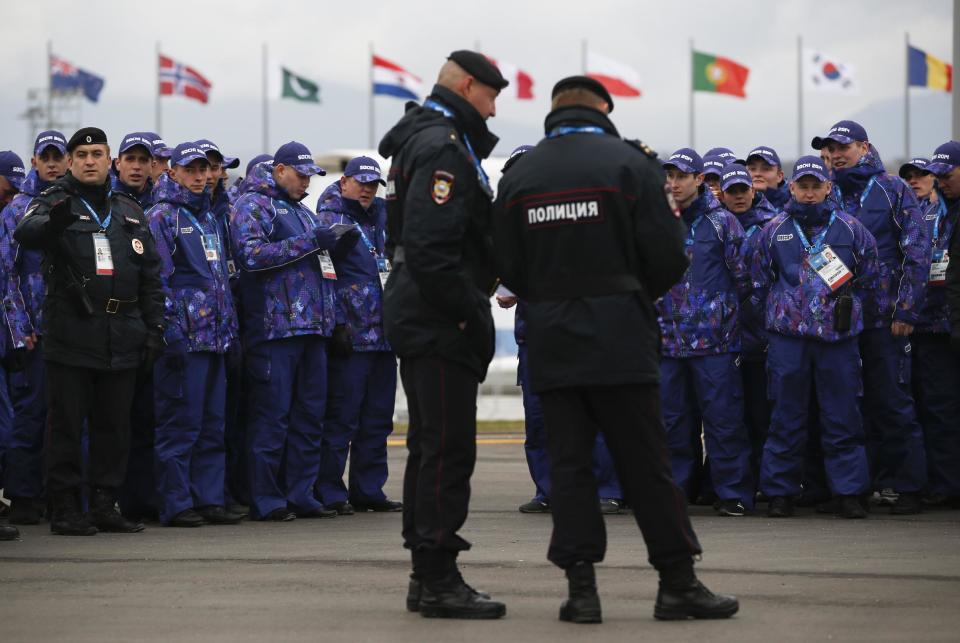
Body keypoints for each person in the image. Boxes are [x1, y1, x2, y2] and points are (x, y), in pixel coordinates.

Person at [494, 75, 739, 623]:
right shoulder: (631, 164)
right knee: (647, 464)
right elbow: (671, 254)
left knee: (570, 467)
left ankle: (581, 591)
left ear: (552, 112)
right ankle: (677, 582)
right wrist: (626, 295)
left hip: (553, 341)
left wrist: (555, 297)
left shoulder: (522, 175)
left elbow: (506, 265)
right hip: (621, 337)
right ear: (603, 109)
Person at [379, 50, 507, 619]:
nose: (495, 108)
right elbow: (432, 251)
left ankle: (423, 574)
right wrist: (467, 314)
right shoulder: (442, 147)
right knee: (446, 451)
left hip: (423, 309)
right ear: (469, 87)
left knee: (432, 446)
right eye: (492, 96)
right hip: (436, 314)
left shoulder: (431, 139)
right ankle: (437, 577)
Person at [14, 127, 165, 536]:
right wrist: (51, 224)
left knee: (114, 426)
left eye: (97, 153)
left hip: (123, 332)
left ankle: (104, 504)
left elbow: (150, 275)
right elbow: (25, 234)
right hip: (72, 331)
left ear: (110, 160)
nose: (89, 161)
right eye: (80, 154)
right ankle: (64, 507)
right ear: (69, 161)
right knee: (66, 424)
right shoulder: (52, 201)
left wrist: (155, 328)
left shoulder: (129, 210)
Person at [231, 141, 357, 521]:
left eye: (311, 177)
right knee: (272, 418)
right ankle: (267, 500)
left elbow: (321, 267)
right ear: (280, 170)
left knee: (309, 418)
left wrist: (335, 320)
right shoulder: (252, 206)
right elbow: (250, 257)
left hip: (313, 331)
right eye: (301, 175)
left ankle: (301, 494)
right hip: (275, 332)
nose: (306, 183)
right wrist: (309, 242)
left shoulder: (303, 212)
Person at [751, 156, 879, 518]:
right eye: (802, 186)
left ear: (828, 188)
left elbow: (870, 279)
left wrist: (847, 312)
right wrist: (784, 311)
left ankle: (850, 492)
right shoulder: (773, 229)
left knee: (842, 415)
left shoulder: (852, 229)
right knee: (785, 416)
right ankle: (780, 492)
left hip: (837, 341)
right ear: (791, 187)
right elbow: (757, 282)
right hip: (787, 341)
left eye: (815, 186)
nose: (809, 193)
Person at [812, 120, 930, 514]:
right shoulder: (826, 192)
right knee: (845, 404)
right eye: (829, 148)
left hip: (885, 316)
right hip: (838, 320)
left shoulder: (892, 188)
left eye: (843, 147)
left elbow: (916, 251)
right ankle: (854, 488)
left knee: (892, 400)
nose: (835, 154)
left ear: (864, 146)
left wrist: (907, 308)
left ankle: (908, 485)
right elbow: (814, 250)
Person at [147, 143, 242, 527]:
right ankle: (176, 502)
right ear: (173, 172)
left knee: (213, 424)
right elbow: (157, 281)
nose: (202, 176)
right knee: (180, 424)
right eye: (193, 169)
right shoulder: (161, 216)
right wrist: (171, 332)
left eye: (206, 170)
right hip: (184, 340)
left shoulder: (210, 218)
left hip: (217, 339)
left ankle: (209, 497)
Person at [658, 147, 755, 516]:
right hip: (667, 342)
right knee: (672, 423)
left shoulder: (722, 222)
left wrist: (716, 311)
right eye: (670, 176)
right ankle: (675, 493)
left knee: (723, 420)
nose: (675, 183)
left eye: (682, 176)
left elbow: (745, 277)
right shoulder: (658, 220)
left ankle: (732, 494)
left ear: (700, 179)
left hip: (714, 344)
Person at [315, 156, 402, 514]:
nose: (366, 189)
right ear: (345, 182)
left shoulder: (386, 216)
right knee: (341, 417)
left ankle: (369, 489)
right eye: (361, 182)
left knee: (379, 419)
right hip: (351, 335)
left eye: (372, 184)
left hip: (385, 335)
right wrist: (336, 324)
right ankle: (330, 490)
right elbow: (321, 276)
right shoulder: (329, 221)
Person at [0, 131, 68, 525]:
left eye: (60, 156)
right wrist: (21, 328)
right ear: (35, 160)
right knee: (31, 414)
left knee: (69, 418)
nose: (54, 163)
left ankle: (57, 493)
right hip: (34, 333)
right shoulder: (17, 211)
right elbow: (6, 276)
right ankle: (24, 495)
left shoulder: (74, 204)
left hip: (71, 330)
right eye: (48, 156)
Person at [717, 163, 779, 485]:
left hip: (760, 336)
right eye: (732, 192)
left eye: (744, 190)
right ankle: (729, 480)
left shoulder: (772, 225)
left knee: (760, 414)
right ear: (722, 194)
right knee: (727, 418)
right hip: (723, 336)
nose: (739, 197)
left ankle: (763, 479)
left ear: (753, 191)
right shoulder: (714, 226)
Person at [916, 142, 960, 507]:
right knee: (939, 409)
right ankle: (946, 484)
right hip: (933, 327)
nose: (940, 182)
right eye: (938, 176)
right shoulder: (927, 213)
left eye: (947, 175)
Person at [112, 132, 156, 209]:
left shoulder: (160, 203)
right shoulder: (104, 200)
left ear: (152, 166)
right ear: (118, 163)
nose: (136, 167)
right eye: (130, 159)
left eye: (143, 160)